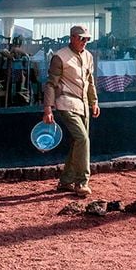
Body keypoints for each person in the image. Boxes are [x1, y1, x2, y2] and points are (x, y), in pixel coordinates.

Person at [43, 25, 100, 198]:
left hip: (83, 105)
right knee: (82, 139)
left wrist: (94, 102)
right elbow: (51, 84)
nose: (85, 42)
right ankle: (82, 182)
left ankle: (66, 181)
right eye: (82, 38)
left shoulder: (89, 56)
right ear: (72, 37)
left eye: (87, 39)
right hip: (66, 103)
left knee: (78, 142)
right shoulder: (59, 57)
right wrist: (48, 108)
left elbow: (90, 82)